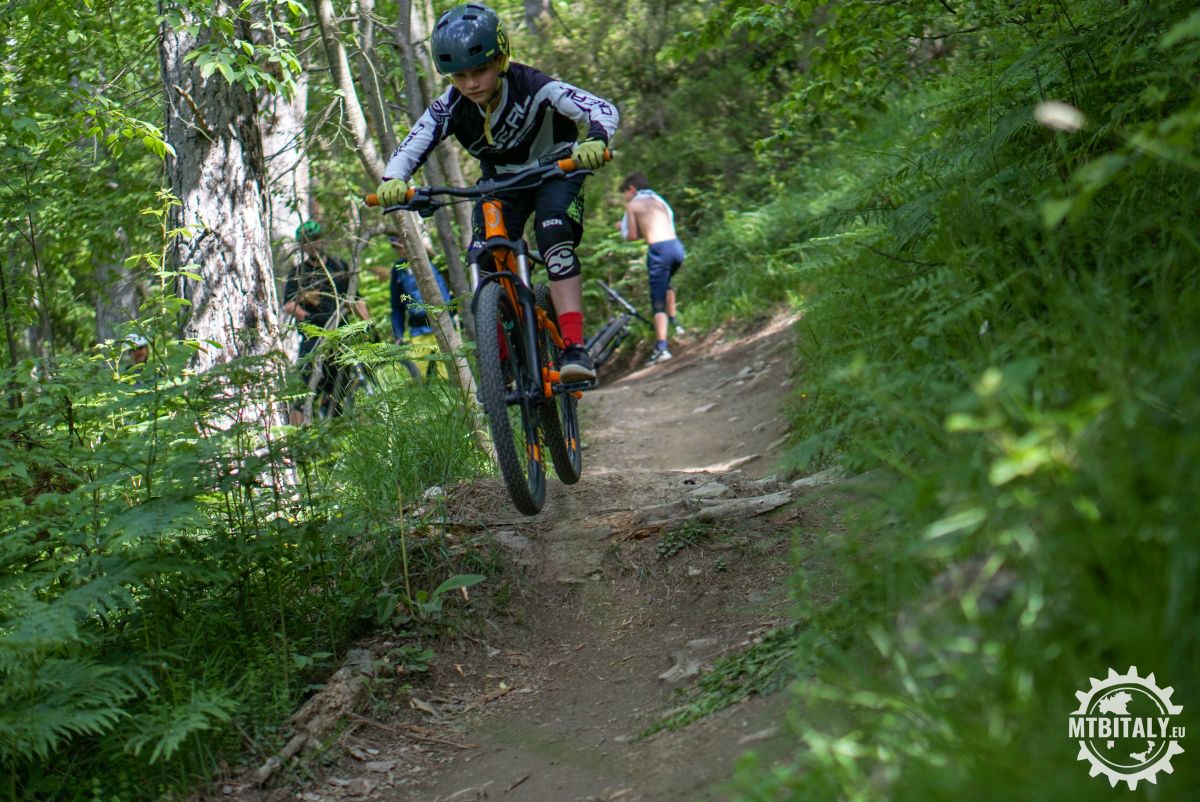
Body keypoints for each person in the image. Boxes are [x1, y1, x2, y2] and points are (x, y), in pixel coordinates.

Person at [373, 3, 618, 383]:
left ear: (501, 60)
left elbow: (600, 108)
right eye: (460, 76)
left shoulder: (535, 86)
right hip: (502, 183)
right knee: (483, 256)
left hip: (557, 169)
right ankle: (501, 360)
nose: (471, 84)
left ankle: (574, 347)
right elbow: (413, 143)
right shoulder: (451, 106)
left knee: (554, 233)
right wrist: (393, 180)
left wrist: (596, 139)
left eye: (480, 70)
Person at [282, 220, 353, 422]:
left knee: (340, 384)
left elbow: (355, 297)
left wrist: (367, 324)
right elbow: (289, 304)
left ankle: (332, 425)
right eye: (307, 242)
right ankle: (298, 437)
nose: (312, 244)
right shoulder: (298, 273)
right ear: (302, 246)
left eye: (315, 239)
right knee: (303, 386)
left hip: (340, 333)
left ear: (322, 240)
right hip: (313, 336)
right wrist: (307, 317)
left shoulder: (339, 266)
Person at [618, 172, 685, 365]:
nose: (625, 197)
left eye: (625, 192)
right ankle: (675, 325)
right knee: (666, 285)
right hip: (676, 247)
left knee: (657, 301)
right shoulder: (659, 201)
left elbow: (631, 236)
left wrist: (621, 228)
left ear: (632, 189)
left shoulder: (633, 206)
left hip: (659, 251)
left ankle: (662, 348)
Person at [387, 236, 453, 378]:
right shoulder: (399, 271)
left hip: (443, 325)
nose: (400, 251)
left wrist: (452, 316)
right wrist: (398, 334)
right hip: (419, 331)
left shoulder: (431, 261)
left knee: (448, 377)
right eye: (397, 248)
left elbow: (447, 290)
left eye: (401, 246)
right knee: (417, 378)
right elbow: (396, 305)